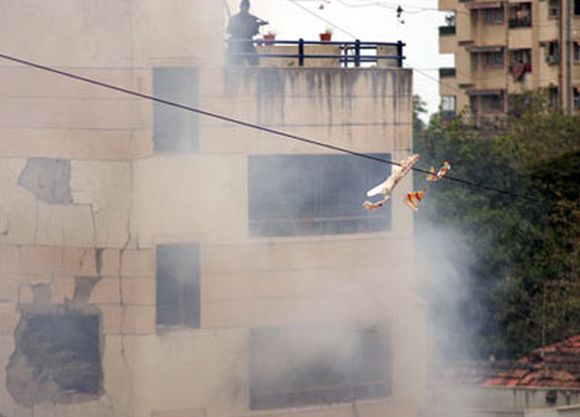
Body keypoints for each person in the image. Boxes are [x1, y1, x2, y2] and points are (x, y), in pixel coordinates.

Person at [227, 0, 268, 66]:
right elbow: (229, 30)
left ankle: (252, 75)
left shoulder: (252, 18)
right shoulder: (234, 19)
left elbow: (254, 32)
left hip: (248, 43)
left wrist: (256, 25)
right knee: (235, 64)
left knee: (254, 62)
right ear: (240, 7)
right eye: (243, 6)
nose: (244, 8)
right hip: (237, 44)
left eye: (246, 7)